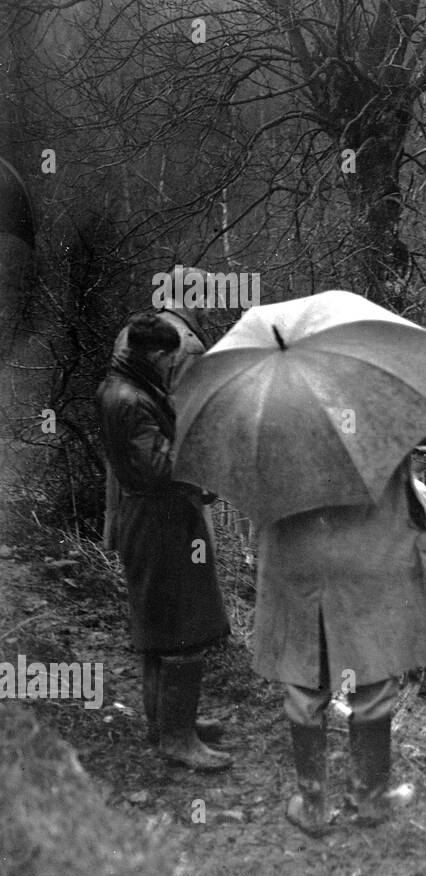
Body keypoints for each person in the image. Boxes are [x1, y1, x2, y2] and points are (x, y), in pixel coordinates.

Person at [253, 453, 426, 836]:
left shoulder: (276, 431)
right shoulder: (377, 429)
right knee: (373, 675)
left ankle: (313, 804)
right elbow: (425, 517)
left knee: (305, 679)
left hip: (299, 565)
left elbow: (260, 511)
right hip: (365, 568)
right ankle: (370, 796)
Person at [97, 312, 232, 771]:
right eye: (168, 359)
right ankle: (177, 738)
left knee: (161, 626)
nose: (170, 367)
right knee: (180, 628)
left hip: (157, 516)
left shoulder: (126, 388)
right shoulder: (129, 399)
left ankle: (170, 723)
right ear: (154, 354)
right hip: (159, 522)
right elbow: (156, 469)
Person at [103, 268, 213, 552]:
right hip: (169, 478)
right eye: (207, 296)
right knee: (184, 563)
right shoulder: (189, 345)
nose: (211, 306)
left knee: (140, 559)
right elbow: (189, 421)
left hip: (129, 472)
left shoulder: (134, 331)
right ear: (193, 297)